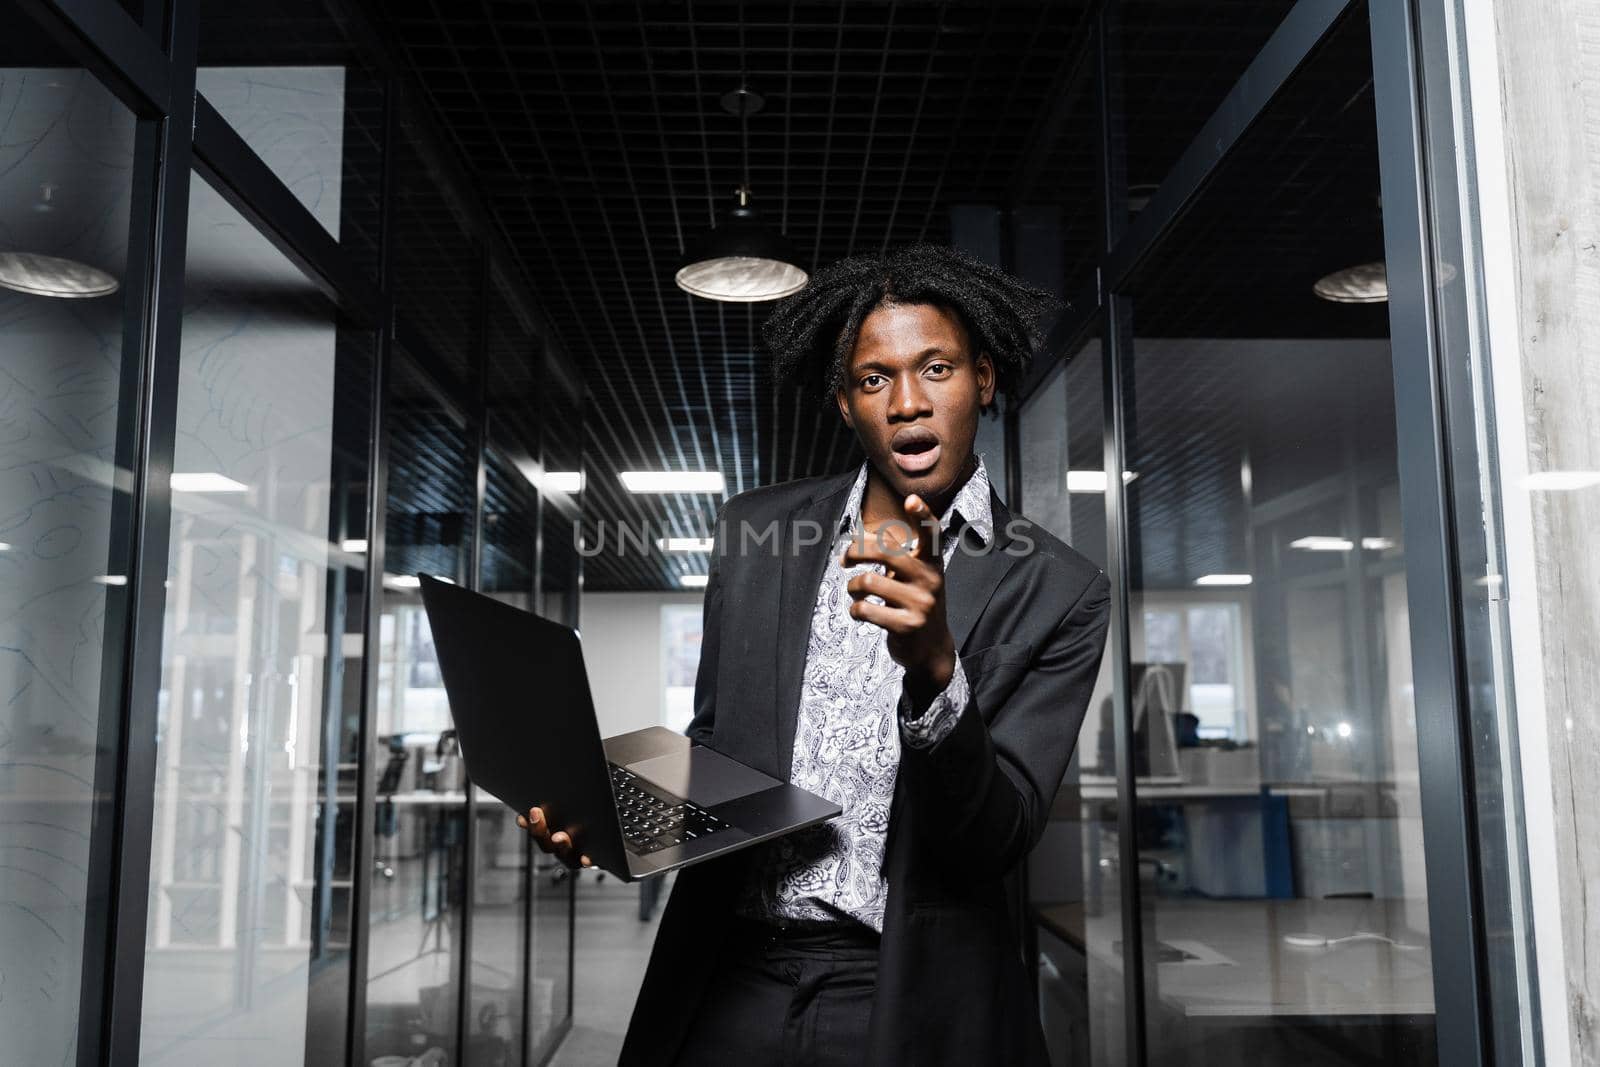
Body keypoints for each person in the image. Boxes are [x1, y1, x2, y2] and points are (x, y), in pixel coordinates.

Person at [520, 245, 1111, 1065]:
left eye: (935, 367)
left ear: (983, 378)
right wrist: (612, 814)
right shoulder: (754, 536)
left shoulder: (1059, 588)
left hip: (907, 997)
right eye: (875, 379)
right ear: (844, 402)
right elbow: (717, 750)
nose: (907, 401)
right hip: (731, 977)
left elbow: (998, 837)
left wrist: (937, 675)